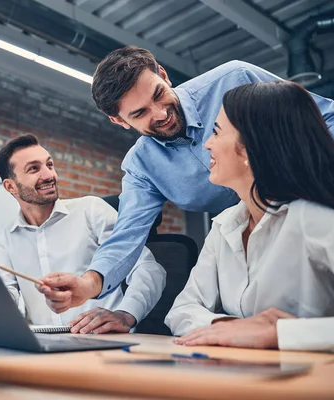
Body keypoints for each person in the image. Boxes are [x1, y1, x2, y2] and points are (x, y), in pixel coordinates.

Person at [37, 46, 334, 314]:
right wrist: (90, 284)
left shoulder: (234, 79)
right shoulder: (143, 167)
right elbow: (127, 235)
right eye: (140, 113)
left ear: (163, 75)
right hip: (243, 232)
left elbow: (321, 119)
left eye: (158, 94)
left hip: (301, 209)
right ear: (120, 121)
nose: (161, 113)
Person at [164, 81, 334, 351]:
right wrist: (231, 327)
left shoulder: (315, 219)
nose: (207, 144)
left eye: (217, 132)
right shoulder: (224, 226)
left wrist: (280, 334)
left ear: (249, 146)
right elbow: (182, 309)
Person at [0, 134, 166, 334]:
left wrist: (126, 314)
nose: (49, 175)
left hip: (102, 340)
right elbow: (5, 296)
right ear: (10, 186)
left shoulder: (90, 210)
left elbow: (148, 268)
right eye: (34, 168)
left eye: (49, 165)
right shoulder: (6, 237)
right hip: (44, 346)